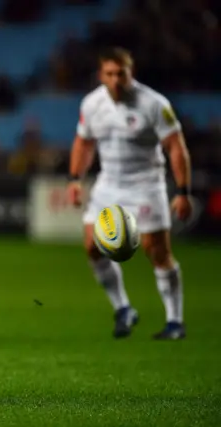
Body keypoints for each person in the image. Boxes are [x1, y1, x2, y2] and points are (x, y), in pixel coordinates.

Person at [67, 47, 192, 340]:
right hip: (108, 183)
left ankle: (175, 321)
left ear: (130, 73)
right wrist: (75, 179)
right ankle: (123, 308)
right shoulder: (92, 104)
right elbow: (83, 143)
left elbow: (176, 146)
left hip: (146, 184)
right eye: (109, 74)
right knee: (91, 246)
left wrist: (183, 191)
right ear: (101, 75)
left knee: (156, 251)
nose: (115, 80)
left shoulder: (154, 103)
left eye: (120, 74)